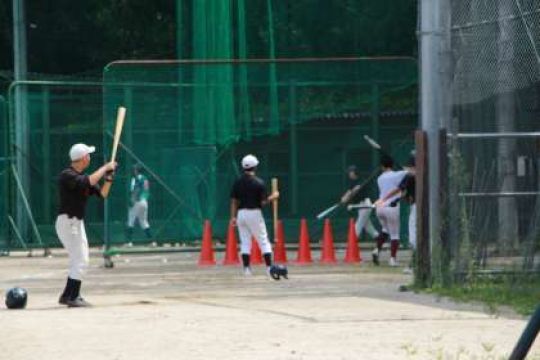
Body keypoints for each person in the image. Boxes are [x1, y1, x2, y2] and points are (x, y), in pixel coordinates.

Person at [56, 143, 117, 307]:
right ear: (83, 158)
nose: (89, 158)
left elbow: (103, 194)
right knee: (81, 260)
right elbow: (87, 181)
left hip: (75, 223)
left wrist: (109, 178)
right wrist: (105, 167)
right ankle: (73, 296)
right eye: (88, 155)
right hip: (68, 222)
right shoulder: (67, 175)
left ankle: (67, 295)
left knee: (78, 259)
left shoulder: (83, 178)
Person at [230, 154, 279, 276]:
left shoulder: (237, 182)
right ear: (255, 167)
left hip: (241, 214)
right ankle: (269, 268)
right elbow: (263, 202)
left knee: (245, 242)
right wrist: (274, 197)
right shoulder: (259, 183)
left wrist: (233, 217)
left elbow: (234, 201)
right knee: (263, 240)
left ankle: (247, 269)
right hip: (254, 213)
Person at [372, 156, 407, 267]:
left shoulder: (379, 178)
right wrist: (403, 169)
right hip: (391, 207)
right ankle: (392, 259)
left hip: (380, 208)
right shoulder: (398, 174)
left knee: (385, 230)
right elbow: (409, 173)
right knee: (394, 234)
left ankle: (377, 250)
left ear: (382, 167)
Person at [340, 165, 379, 240]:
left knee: (359, 224)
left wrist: (346, 197)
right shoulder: (352, 182)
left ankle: (352, 241)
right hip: (360, 205)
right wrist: (343, 198)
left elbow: (355, 189)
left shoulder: (361, 180)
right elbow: (349, 191)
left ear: (355, 172)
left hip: (365, 204)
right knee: (368, 226)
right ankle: (379, 238)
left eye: (350, 172)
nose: (349, 174)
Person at [127, 164, 152, 243]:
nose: (133, 171)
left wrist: (132, 200)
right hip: (144, 201)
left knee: (131, 220)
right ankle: (151, 241)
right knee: (143, 221)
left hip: (137, 201)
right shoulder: (145, 178)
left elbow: (136, 189)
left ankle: (129, 242)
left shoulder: (135, 179)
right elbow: (146, 190)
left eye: (134, 169)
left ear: (136, 170)